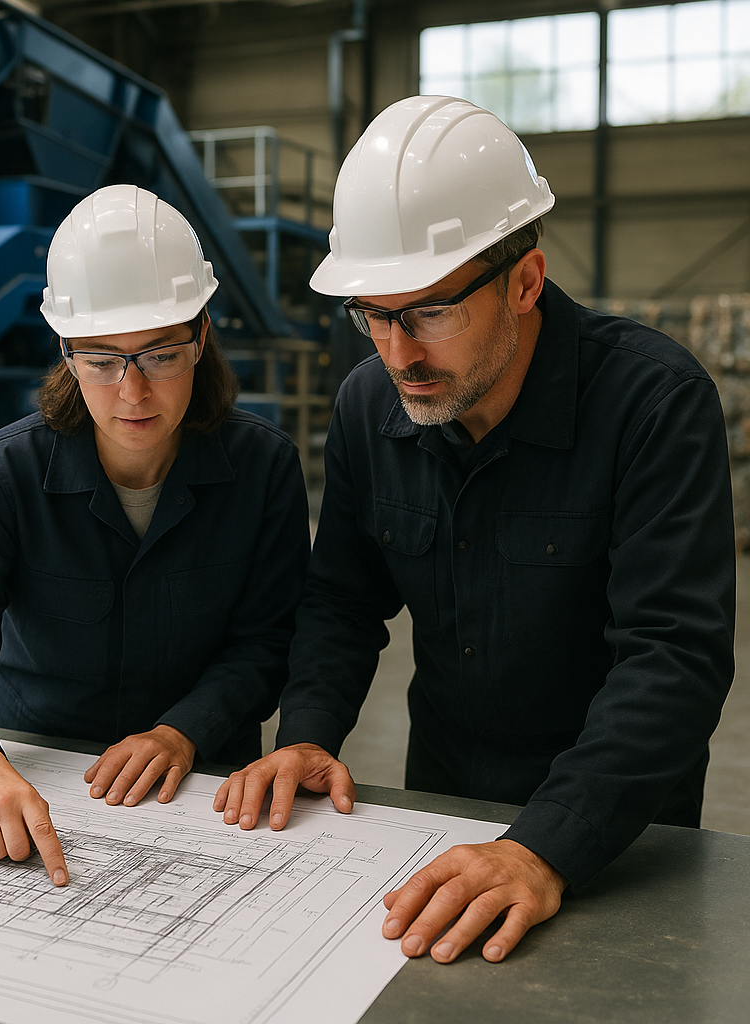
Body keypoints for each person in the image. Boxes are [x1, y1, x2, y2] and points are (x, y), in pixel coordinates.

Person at [214, 96, 735, 964]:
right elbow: (342, 600)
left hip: (616, 832)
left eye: (427, 312)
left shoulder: (652, 405)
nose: (396, 352)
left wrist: (544, 846)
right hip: (445, 806)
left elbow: (674, 658)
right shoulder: (370, 407)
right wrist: (307, 732)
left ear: (524, 282)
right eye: (372, 316)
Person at [0, 184, 310, 888]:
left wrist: (185, 729)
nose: (132, 392)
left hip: (204, 786)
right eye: (102, 359)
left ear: (201, 336)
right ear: (65, 350)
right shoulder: (5, 474)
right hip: (38, 770)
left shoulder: (263, 468)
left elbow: (269, 640)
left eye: (161, 355)